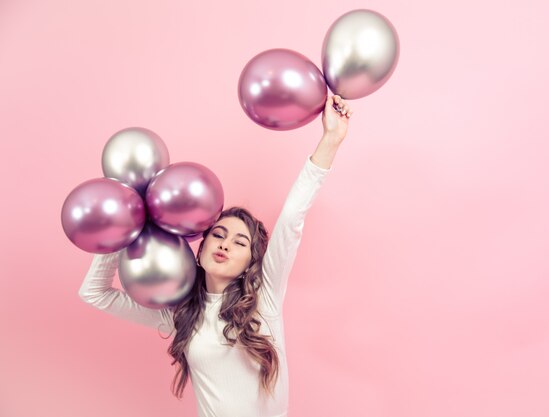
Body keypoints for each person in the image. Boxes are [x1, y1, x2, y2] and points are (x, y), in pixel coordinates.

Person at [78, 94, 353, 417]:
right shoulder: (180, 314)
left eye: (239, 242)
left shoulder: (265, 297)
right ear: (200, 248)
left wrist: (331, 139)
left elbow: (293, 216)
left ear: (251, 261)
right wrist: (126, 226)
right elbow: (94, 293)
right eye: (218, 236)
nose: (224, 245)